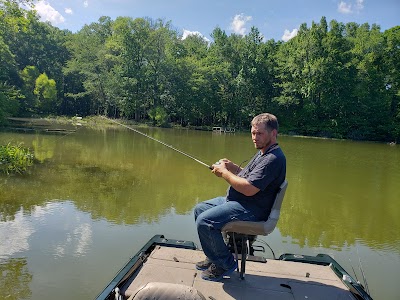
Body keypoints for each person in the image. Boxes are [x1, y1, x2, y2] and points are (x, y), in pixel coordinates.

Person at [193, 113, 286, 281]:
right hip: (241, 202)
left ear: (273, 133)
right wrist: (233, 167)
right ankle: (215, 256)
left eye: (260, 133)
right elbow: (248, 176)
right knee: (200, 209)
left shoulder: (273, 159)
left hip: (252, 209)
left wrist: (223, 172)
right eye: (253, 133)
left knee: (205, 222)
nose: (254, 138)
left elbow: (249, 188)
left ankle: (225, 263)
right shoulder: (263, 152)